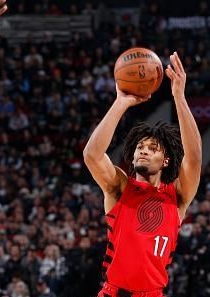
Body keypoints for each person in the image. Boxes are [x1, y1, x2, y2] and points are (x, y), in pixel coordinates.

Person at [83, 51, 202, 297]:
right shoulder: (120, 188)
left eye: (152, 148)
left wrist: (179, 98)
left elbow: (194, 158)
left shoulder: (177, 197)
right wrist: (121, 102)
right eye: (139, 147)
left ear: (166, 160)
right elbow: (92, 155)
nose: (143, 152)